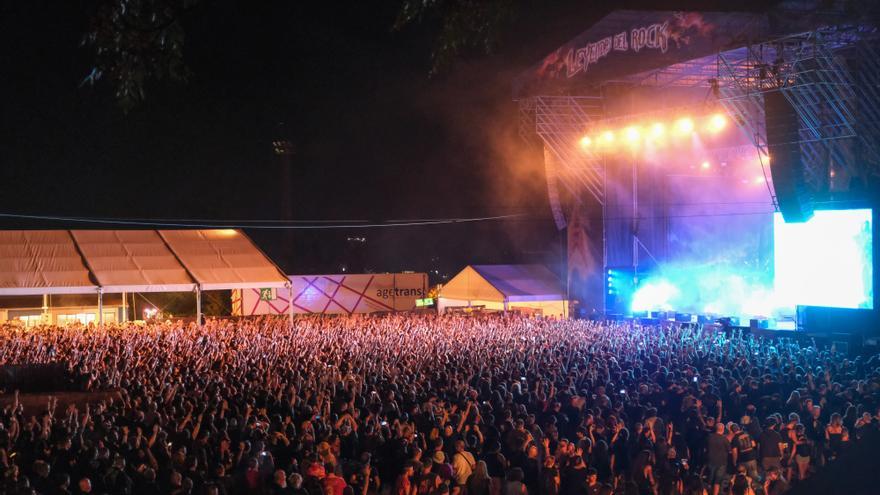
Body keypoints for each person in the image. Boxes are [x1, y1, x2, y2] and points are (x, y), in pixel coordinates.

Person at [705, 423, 729, 495]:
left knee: (710, 480)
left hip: (711, 461)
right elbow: (729, 449)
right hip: (722, 462)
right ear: (723, 429)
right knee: (717, 481)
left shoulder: (709, 437)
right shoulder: (724, 439)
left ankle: (707, 492)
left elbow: (705, 448)